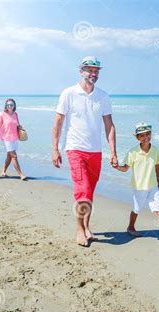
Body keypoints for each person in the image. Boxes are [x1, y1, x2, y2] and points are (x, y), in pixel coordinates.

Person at [52, 56, 118, 247]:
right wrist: (55, 148)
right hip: (75, 149)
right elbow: (58, 122)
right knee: (83, 191)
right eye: (89, 70)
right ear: (81, 71)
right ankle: (79, 230)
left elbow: (109, 125)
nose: (93, 73)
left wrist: (113, 151)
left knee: (90, 191)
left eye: (96, 70)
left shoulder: (103, 96)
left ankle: (87, 227)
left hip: (95, 152)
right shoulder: (68, 93)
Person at [114, 122, 159, 245]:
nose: (145, 137)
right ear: (137, 137)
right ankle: (130, 227)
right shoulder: (133, 152)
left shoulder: (155, 151)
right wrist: (117, 167)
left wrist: (158, 184)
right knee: (136, 210)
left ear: (151, 135)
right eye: (142, 135)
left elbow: (157, 167)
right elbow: (126, 168)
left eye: (148, 134)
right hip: (139, 187)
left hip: (153, 186)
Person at [0, 98, 27, 180]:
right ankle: (21, 174)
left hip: (15, 138)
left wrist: (21, 128)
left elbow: (18, 124)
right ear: (6, 106)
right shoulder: (2, 114)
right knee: (14, 156)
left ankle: (3, 171)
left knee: (9, 156)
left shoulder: (16, 114)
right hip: (6, 138)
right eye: (8, 105)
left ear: (14, 106)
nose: (10, 106)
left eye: (11, 105)